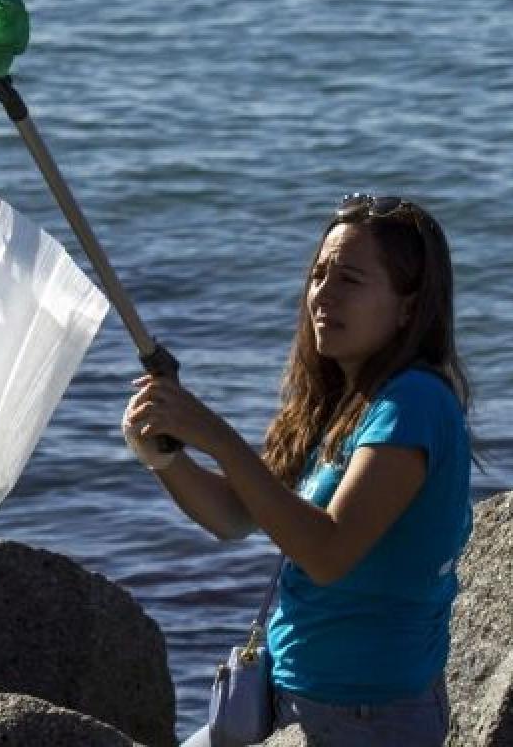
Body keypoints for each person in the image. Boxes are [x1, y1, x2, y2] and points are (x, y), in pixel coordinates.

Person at [123, 194, 472, 746]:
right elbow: (235, 515)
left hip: (366, 719)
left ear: (409, 307)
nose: (323, 295)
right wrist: (164, 454)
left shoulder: (414, 404)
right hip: (281, 695)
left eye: (349, 279)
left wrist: (215, 435)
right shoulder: (337, 401)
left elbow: (328, 552)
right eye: (318, 275)